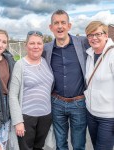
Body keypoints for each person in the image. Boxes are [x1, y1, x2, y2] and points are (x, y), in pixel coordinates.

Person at [43, 9, 90, 150]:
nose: (60, 26)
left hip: (79, 103)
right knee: (60, 144)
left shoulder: (82, 43)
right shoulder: (46, 49)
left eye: (63, 22)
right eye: (56, 23)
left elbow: (101, 43)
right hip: (56, 103)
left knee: (79, 145)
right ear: (51, 27)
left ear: (69, 26)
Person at [9, 31, 54, 150]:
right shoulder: (20, 65)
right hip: (27, 117)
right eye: (32, 43)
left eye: (39, 43)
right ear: (26, 45)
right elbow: (13, 95)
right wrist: (18, 121)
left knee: (39, 148)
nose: (36, 46)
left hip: (45, 116)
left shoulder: (46, 62)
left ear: (43, 46)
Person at [84, 21, 114, 150]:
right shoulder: (90, 54)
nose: (94, 38)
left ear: (106, 35)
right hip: (91, 114)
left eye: (98, 34)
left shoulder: (112, 55)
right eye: (90, 35)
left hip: (108, 117)